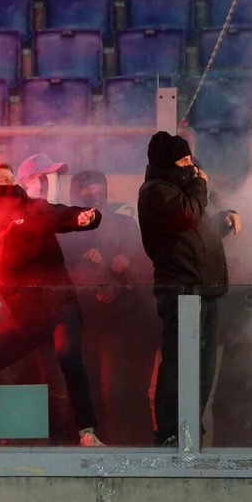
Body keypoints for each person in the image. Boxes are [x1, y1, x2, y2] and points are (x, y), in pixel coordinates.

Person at [0, 162, 105, 447]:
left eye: (11, 177)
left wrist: (82, 218)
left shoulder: (34, 209)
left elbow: (60, 215)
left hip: (59, 306)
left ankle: (87, 432)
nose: (10, 181)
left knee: (68, 356)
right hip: (25, 319)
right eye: (2, 180)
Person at [137, 131, 241, 447]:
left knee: (203, 368)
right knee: (179, 364)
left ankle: (189, 427)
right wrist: (200, 184)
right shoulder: (156, 191)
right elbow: (186, 217)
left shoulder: (182, 194)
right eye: (184, 161)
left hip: (203, 290)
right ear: (168, 163)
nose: (192, 168)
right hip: (182, 292)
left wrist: (222, 221)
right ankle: (171, 430)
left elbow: (196, 231)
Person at [60, 170, 158, 445]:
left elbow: (142, 268)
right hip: (82, 322)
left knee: (117, 391)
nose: (96, 197)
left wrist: (120, 278)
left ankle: (129, 451)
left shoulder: (125, 225)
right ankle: (92, 456)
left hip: (122, 324)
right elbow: (63, 270)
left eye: (99, 191)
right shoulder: (68, 229)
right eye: (88, 193)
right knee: (86, 392)